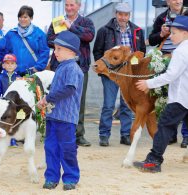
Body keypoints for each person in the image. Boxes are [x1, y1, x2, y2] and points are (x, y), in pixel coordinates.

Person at [134, 15, 188, 173]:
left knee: (164, 125)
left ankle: (153, 161)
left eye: (174, 33)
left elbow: (171, 75)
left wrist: (148, 83)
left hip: (181, 97)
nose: (171, 36)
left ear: (185, 33)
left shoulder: (181, 51)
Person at [93, 2, 146, 147]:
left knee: (126, 105)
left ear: (129, 16)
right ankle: (104, 135)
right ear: (116, 14)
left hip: (128, 76)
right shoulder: (104, 30)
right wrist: (106, 69)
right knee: (109, 105)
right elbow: (97, 51)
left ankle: (125, 135)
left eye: (126, 15)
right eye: (120, 14)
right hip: (111, 75)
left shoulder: (138, 31)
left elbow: (142, 51)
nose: (123, 17)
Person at [37, 31, 83, 191]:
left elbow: (69, 89)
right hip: (54, 116)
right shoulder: (62, 67)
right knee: (51, 147)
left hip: (66, 118)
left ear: (71, 51)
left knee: (67, 148)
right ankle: (51, 177)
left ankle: (70, 178)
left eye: (58, 49)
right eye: (54, 49)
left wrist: (47, 99)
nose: (54, 52)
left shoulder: (72, 68)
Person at [47, 0, 95, 147]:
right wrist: (65, 36)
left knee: (79, 101)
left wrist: (71, 28)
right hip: (59, 67)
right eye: (66, 5)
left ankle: (78, 135)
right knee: (57, 97)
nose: (69, 8)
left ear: (79, 6)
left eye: (72, 5)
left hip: (80, 67)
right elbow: (49, 40)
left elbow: (89, 37)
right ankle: (54, 131)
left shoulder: (86, 21)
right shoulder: (56, 21)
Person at [149, 0, 188, 147]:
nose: (177, 1)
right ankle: (170, 135)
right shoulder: (161, 18)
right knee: (170, 97)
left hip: (182, 57)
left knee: (182, 97)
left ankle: (185, 136)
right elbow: (152, 40)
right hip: (165, 59)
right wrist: (161, 34)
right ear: (167, 2)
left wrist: (148, 83)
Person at [5, 5, 49, 76]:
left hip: (32, 72)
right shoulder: (11, 34)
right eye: (20, 17)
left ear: (31, 18)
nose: (22, 19)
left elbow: (44, 52)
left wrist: (38, 68)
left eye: (25, 17)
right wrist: (7, 67)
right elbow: (5, 52)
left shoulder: (39, 34)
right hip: (15, 73)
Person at [0, 54, 20, 147]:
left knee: (15, 121)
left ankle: (12, 139)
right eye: (7, 63)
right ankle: (2, 136)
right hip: (3, 103)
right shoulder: (0, 77)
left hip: (14, 104)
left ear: (16, 65)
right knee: (1, 120)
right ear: (3, 65)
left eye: (12, 63)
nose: (10, 65)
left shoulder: (18, 78)